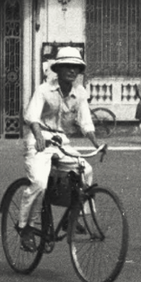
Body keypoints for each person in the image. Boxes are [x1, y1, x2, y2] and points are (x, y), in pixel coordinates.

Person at [14, 48, 100, 239]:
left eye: (76, 68)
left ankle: (73, 216)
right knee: (39, 183)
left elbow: (85, 122)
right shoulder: (44, 89)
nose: (72, 71)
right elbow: (32, 117)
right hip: (40, 139)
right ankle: (26, 227)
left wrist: (96, 144)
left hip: (61, 141)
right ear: (58, 69)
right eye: (67, 67)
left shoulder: (80, 92)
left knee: (85, 170)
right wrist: (38, 136)